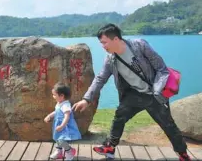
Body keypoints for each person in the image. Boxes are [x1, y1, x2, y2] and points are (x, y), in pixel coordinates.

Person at [72, 23, 191, 161]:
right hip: (134, 95)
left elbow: (162, 69)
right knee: (119, 117)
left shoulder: (139, 46)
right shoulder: (111, 59)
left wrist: (157, 91)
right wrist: (86, 99)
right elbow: (100, 79)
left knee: (168, 125)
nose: (103, 46)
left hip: (154, 94)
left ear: (115, 39)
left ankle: (182, 153)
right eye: (101, 43)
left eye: (104, 42)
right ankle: (109, 146)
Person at [44, 82, 81, 160]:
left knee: (61, 140)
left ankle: (69, 151)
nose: (53, 96)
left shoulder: (66, 105)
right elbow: (56, 111)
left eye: (54, 95)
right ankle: (59, 151)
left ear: (62, 96)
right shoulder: (59, 103)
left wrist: (62, 126)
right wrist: (49, 116)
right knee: (57, 138)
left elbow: (67, 117)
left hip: (65, 126)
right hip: (58, 124)